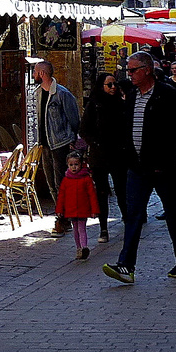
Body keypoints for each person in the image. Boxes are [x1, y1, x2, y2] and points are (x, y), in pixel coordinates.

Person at [101, 51, 176, 284]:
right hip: (137, 166)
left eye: (133, 70)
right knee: (133, 215)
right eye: (128, 70)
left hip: (163, 166)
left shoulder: (167, 94)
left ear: (146, 70)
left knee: (173, 213)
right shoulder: (132, 95)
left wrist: (165, 159)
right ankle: (126, 265)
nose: (129, 74)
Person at [79, 70, 131, 245]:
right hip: (100, 156)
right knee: (102, 192)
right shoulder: (94, 105)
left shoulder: (121, 104)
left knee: (122, 189)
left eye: (114, 84)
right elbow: (84, 129)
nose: (113, 87)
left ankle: (127, 219)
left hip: (118, 154)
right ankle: (103, 227)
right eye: (109, 84)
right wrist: (96, 143)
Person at [31, 58, 81, 236]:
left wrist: (71, 138)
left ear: (42, 73)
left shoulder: (61, 94)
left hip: (60, 142)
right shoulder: (37, 93)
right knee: (51, 182)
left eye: (36, 71)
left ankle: (62, 219)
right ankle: (63, 215)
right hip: (45, 143)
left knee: (60, 182)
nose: (34, 74)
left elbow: (74, 118)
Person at [57, 151, 101, 261]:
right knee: (76, 230)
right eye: (71, 165)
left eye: (76, 164)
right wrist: (59, 210)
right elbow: (61, 196)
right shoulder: (66, 180)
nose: (74, 167)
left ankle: (83, 247)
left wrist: (94, 210)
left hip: (82, 208)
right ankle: (79, 248)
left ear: (81, 164)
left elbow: (92, 195)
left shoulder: (86, 179)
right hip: (71, 209)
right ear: (68, 165)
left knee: (81, 228)